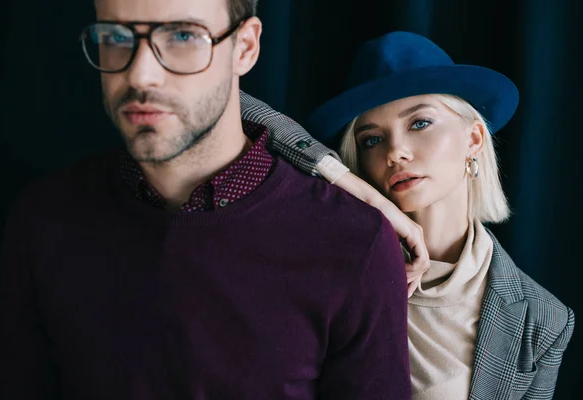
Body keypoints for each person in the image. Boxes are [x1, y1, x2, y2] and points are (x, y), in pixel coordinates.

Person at [0, 1, 412, 399]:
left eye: (183, 36)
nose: (140, 76)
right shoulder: (45, 219)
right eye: (116, 38)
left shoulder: (354, 244)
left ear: (244, 48)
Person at [243, 31, 576, 400]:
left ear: (474, 139)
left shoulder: (542, 319)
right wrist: (356, 187)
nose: (396, 152)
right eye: (372, 139)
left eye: (419, 123)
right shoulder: (332, 256)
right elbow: (231, 106)